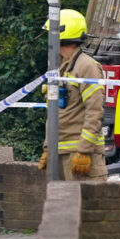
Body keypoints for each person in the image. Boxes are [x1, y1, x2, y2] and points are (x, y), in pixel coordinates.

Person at [38, 9, 107, 181]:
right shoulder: (58, 67)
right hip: (59, 153)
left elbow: (95, 111)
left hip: (81, 154)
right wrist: (48, 146)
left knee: (87, 199)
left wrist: (84, 150)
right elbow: (53, 112)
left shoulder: (86, 66)